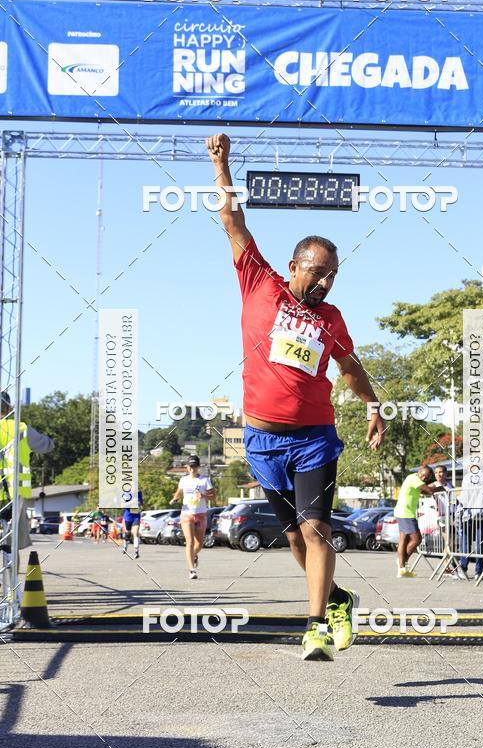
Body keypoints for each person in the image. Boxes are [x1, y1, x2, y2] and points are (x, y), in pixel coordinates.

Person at [207, 132, 385, 661]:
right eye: (317, 271)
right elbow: (232, 220)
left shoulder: (331, 319)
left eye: (333, 275)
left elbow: (350, 368)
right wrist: (222, 165)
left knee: (317, 529)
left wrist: (373, 406)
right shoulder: (259, 282)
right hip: (262, 440)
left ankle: (315, 627)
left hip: (314, 439)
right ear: (293, 266)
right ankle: (337, 599)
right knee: (293, 540)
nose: (325, 282)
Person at [0, 390, 53, 553]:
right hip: (16, 490)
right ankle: (10, 566)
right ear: (9, 409)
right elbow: (47, 445)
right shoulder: (21, 428)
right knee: (11, 544)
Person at [395, 466, 444, 577]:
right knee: (417, 539)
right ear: (419, 472)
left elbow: (423, 491)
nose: (423, 478)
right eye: (423, 475)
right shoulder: (414, 478)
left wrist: (433, 488)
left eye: (426, 477)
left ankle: (402, 569)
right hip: (405, 513)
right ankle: (401, 562)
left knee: (404, 540)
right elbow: (429, 491)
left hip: (403, 512)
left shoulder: (413, 478)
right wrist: (440, 488)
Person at [170, 456, 214, 579]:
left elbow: (213, 496)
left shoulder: (205, 480)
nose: (192, 469)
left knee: (199, 544)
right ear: (187, 467)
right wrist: (175, 498)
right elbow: (179, 493)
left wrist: (203, 496)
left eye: (194, 466)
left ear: (198, 467)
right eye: (190, 466)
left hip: (200, 515)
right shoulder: (183, 480)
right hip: (186, 514)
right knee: (190, 542)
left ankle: (193, 555)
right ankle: (191, 570)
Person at [122, 490, 143, 559]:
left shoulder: (139, 493)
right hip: (128, 516)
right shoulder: (126, 494)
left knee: (136, 532)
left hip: (136, 516)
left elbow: (141, 503)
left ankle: (136, 551)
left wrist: (139, 505)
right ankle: (125, 546)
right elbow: (123, 505)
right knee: (127, 533)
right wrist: (132, 502)